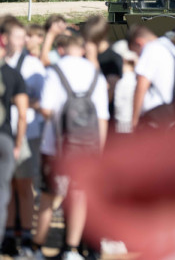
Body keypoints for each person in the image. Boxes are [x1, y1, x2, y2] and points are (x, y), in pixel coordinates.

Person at [31, 34, 107, 260]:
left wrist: (33, 104)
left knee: (48, 197)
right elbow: (102, 117)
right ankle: (72, 250)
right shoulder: (95, 73)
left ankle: (37, 248)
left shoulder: (55, 72)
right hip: (87, 148)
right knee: (80, 196)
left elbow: (46, 109)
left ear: (60, 49)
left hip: (55, 147)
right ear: (83, 50)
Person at [1, 19, 39, 256]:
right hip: (7, 133)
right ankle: (7, 235)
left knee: (23, 186)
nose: (22, 41)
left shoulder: (32, 64)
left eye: (23, 37)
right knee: (6, 187)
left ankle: (25, 236)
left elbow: (42, 99)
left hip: (25, 133)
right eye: (16, 36)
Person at [127, 26, 175, 130]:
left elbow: (142, 85)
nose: (138, 56)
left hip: (155, 116)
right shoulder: (169, 46)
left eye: (136, 52)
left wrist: (134, 121)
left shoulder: (150, 48)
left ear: (139, 43)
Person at [113, 49, 138, 134]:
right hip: (137, 120)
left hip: (122, 121)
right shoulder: (138, 79)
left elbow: (117, 103)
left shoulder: (120, 80)